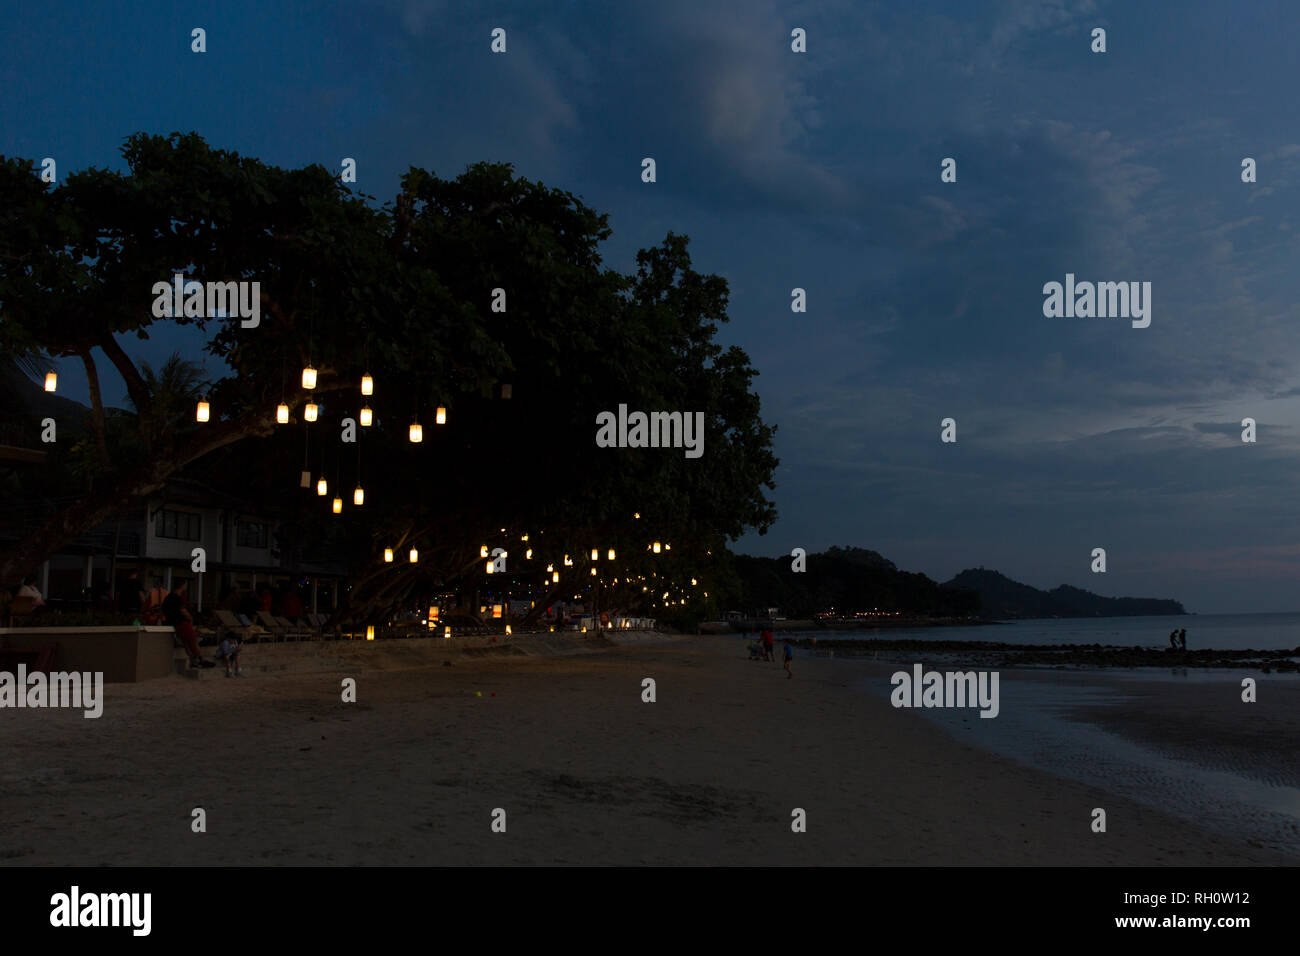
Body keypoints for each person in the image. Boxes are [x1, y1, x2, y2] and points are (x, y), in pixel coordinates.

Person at [162, 581, 214, 669]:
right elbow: (182, 610)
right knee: (193, 641)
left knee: (186, 643)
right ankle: (200, 660)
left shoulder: (168, 597)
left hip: (175, 623)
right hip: (182, 622)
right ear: (182, 586)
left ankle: (193, 662)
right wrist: (190, 618)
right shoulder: (177, 598)